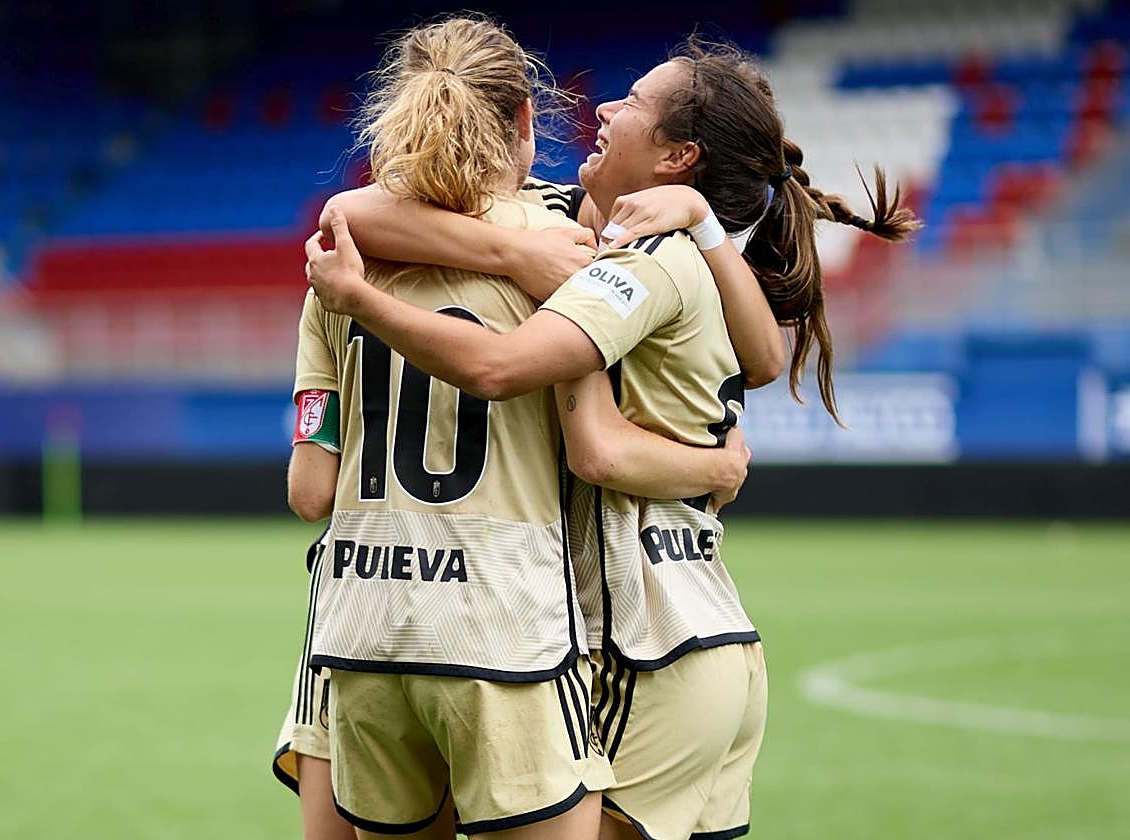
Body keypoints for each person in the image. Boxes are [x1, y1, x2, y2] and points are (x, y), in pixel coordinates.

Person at [307, 36, 918, 840]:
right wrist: (528, 246)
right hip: (691, 631)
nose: (601, 107)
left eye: (631, 103)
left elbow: (575, 430)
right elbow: (766, 356)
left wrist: (372, 298)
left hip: (644, 641)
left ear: (678, 156)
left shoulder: (643, 262)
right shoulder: (593, 235)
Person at [287, 18, 756, 840]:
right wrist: (712, 467)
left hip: (359, 620)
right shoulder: (571, 248)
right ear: (526, 124)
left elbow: (309, 490)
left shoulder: (339, 263)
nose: (606, 108)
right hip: (511, 625)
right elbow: (583, 428)